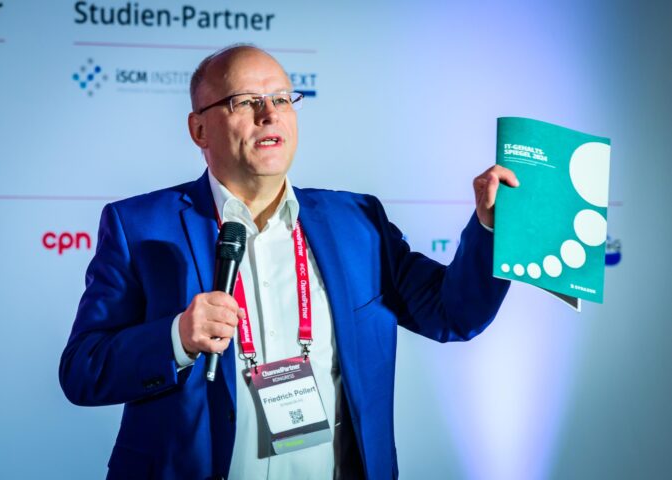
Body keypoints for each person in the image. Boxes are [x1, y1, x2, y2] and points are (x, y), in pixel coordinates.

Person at [59, 45, 518, 480]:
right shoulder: (139, 226)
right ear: (199, 130)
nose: (270, 113)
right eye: (245, 101)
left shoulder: (358, 223)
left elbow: (452, 314)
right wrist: (176, 337)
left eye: (281, 98)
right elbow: (83, 370)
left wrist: (491, 229)